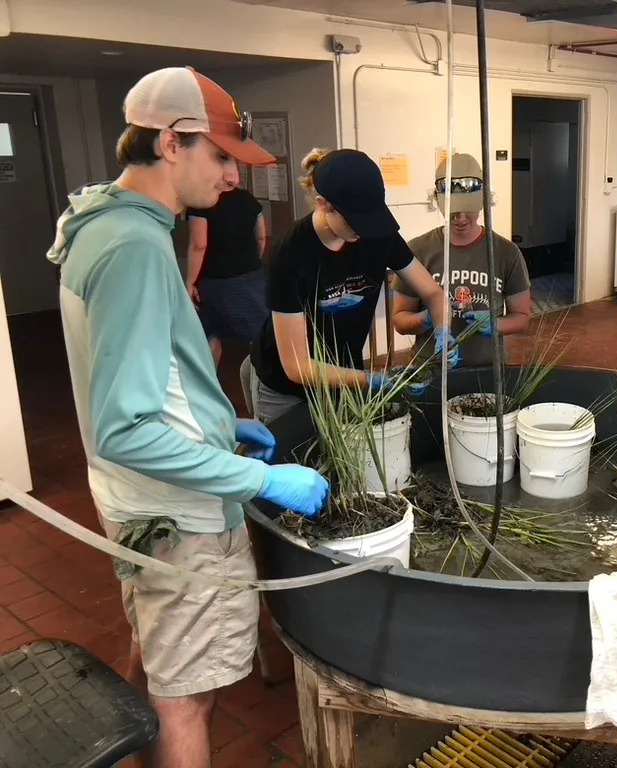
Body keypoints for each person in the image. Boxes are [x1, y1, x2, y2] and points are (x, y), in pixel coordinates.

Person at [44, 66, 329, 768]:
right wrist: (254, 480)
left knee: (158, 659)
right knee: (186, 701)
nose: (235, 177)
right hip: (179, 515)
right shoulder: (136, 248)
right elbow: (125, 426)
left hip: (138, 502)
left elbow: (140, 377)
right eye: (222, 156)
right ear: (171, 143)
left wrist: (220, 424)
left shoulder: (105, 221)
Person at [245, 148, 454, 424]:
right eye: (356, 221)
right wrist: (370, 379)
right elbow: (297, 366)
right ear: (323, 204)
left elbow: (433, 293)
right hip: (285, 389)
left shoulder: (378, 235)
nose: (364, 230)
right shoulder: (289, 253)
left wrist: (443, 330)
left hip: (346, 377)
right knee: (291, 461)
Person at [392, 152, 531, 366]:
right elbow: (400, 321)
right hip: (430, 368)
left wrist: (495, 325)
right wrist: (428, 319)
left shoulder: (505, 252)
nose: (461, 219)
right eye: (453, 212)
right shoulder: (419, 250)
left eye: (468, 211)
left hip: (488, 370)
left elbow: (522, 317)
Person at [185, 182, 268, 369]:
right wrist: (250, 261)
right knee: (262, 336)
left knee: (209, 334)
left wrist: (189, 282)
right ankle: (263, 387)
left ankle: (209, 386)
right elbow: (261, 237)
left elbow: (199, 244)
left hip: (213, 281)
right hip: (252, 276)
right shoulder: (247, 198)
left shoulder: (201, 201)